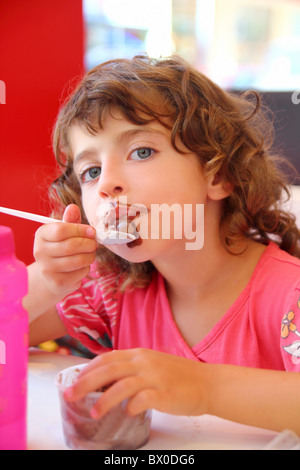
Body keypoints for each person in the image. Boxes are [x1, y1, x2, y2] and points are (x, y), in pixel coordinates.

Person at [25, 55, 300, 434]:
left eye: (141, 151)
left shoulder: (290, 296)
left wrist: (204, 388)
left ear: (217, 173)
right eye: (91, 171)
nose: (106, 185)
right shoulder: (112, 290)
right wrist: (47, 280)